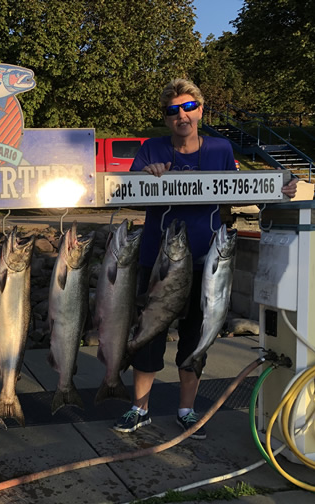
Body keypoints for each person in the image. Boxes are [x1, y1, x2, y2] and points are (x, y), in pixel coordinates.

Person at [113, 78, 298, 440]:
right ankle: (140, 408)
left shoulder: (220, 148)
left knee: (196, 335)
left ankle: (186, 410)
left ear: (199, 111)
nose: (181, 115)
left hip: (208, 261)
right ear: (166, 118)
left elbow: (243, 189)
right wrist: (145, 176)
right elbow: (125, 189)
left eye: (188, 108)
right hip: (159, 260)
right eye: (172, 110)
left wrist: (281, 187)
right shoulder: (151, 148)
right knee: (149, 334)